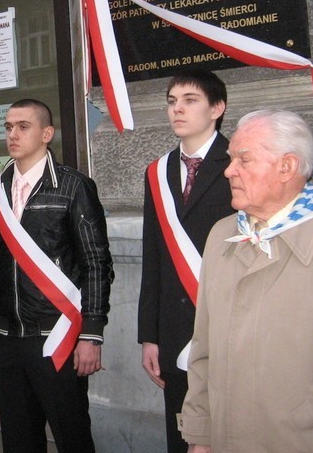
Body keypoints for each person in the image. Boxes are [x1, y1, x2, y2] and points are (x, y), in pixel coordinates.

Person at [179, 109, 313, 452]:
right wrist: (200, 437)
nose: (228, 170)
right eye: (231, 159)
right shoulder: (221, 235)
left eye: (244, 159)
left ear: (286, 167)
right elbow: (203, 350)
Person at [0, 98, 114, 453]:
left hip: (57, 336)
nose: (13, 134)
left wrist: (92, 333)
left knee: (73, 435)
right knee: (19, 440)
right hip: (10, 336)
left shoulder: (73, 186)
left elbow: (97, 263)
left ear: (47, 133)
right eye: (8, 127)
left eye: (23, 126)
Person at [137, 70, 232, 453]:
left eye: (190, 100)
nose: (177, 109)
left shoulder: (238, 162)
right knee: (181, 435)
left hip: (224, 322)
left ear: (217, 108)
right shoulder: (157, 172)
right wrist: (149, 334)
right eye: (172, 101)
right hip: (175, 330)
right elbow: (153, 256)